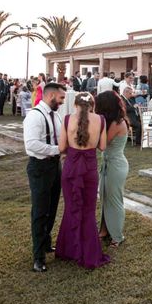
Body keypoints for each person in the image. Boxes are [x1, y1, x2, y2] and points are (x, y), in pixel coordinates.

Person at [56, 92, 110, 269]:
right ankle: (89, 252)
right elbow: (102, 147)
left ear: (75, 105)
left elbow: (62, 147)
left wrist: (72, 151)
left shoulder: (66, 119)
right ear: (92, 105)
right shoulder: (101, 120)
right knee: (88, 211)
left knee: (71, 208)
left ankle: (69, 250)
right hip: (89, 169)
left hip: (71, 168)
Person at [23, 82, 66, 272]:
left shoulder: (55, 115)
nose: (63, 102)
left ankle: (47, 243)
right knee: (40, 212)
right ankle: (38, 257)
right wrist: (58, 149)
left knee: (52, 207)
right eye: (61, 98)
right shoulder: (34, 116)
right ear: (51, 96)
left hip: (55, 166)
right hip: (40, 167)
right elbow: (32, 144)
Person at [95, 91, 129, 247]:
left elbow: (102, 144)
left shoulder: (117, 123)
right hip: (107, 164)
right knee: (105, 198)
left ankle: (117, 235)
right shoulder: (110, 122)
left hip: (115, 165)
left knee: (114, 200)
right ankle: (104, 230)